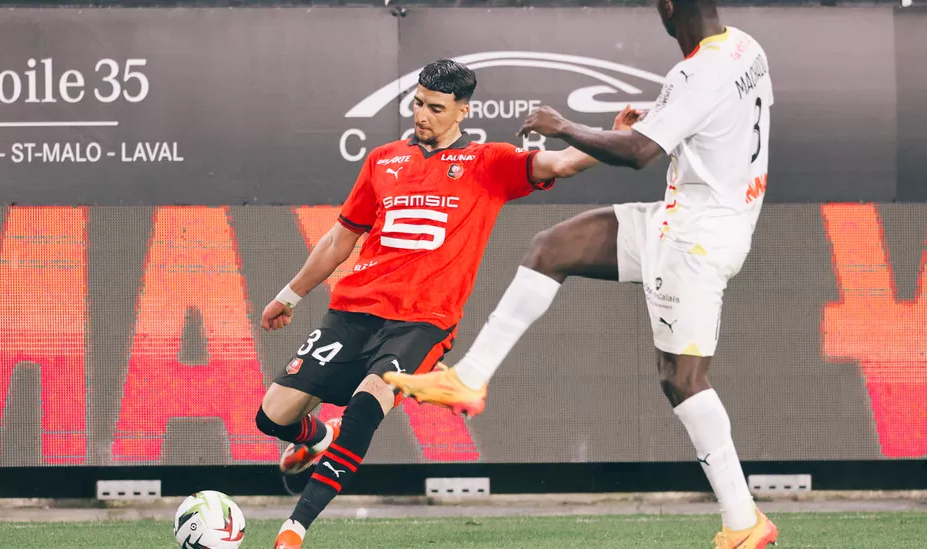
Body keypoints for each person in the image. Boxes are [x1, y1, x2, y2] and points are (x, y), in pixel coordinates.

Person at [384, 1, 778, 548]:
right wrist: (661, 118)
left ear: (668, 7)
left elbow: (638, 153)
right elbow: (712, 120)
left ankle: (743, 522)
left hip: (694, 239)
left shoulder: (697, 72)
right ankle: (469, 377)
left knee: (682, 379)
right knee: (553, 247)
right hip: (690, 216)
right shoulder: (744, 48)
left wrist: (563, 126)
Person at [256, 58, 622, 549]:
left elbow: (564, 163)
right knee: (270, 418)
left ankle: (293, 530)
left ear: (462, 111)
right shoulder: (383, 159)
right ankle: (321, 438)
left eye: (435, 108)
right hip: (353, 311)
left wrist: (616, 137)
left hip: (421, 323)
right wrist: (289, 295)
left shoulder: (488, 162)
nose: (422, 115)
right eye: (417, 104)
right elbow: (340, 239)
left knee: (366, 407)